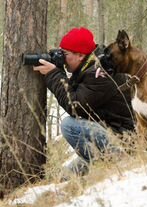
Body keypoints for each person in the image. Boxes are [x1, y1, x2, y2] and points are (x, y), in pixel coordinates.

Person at [33, 27, 135, 177]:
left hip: (122, 141)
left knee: (69, 125)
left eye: (65, 54)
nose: (61, 57)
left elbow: (75, 106)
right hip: (108, 132)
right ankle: (101, 163)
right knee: (66, 177)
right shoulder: (89, 66)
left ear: (80, 55)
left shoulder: (100, 72)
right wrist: (59, 69)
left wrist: (54, 74)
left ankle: (112, 163)